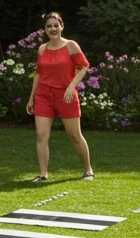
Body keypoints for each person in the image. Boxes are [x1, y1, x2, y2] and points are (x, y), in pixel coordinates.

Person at [24, 12, 94, 182]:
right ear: (45, 29)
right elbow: (39, 74)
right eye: (49, 26)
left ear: (62, 26)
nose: (53, 29)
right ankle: (43, 174)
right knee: (41, 136)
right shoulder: (42, 49)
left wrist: (71, 86)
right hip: (43, 96)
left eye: (56, 25)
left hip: (66, 96)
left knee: (75, 136)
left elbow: (83, 66)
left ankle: (88, 170)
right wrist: (31, 97)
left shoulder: (71, 46)